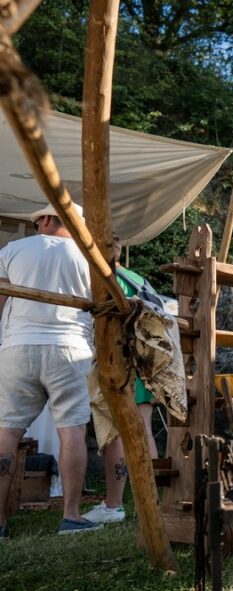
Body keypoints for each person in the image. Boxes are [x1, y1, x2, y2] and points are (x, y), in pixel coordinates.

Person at [0, 202, 99, 537]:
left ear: (44, 219)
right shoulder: (90, 257)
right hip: (70, 349)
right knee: (71, 431)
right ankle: (71, 515)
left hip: (18, 348)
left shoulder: (13, 249)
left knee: (7, 432)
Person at [83, 235, 161, 525]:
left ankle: (114, 504)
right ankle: (155, 498)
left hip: (120, 364)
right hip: (145, 363)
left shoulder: (106, 279)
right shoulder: (135, 277)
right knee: (144, 429)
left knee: (117, 431)